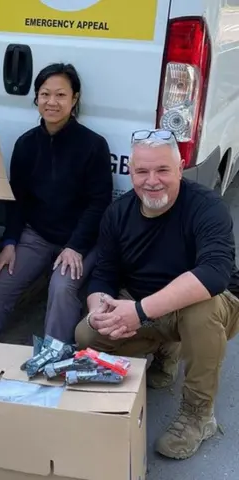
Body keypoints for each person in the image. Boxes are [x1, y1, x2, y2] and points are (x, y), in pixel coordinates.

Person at [75, 129, 239, 460]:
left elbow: (215, 273)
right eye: (142, 171)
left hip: (212, 307)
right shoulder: (118, 214)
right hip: (146, 306)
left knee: (200, 309)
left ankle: (198, 415)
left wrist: (138, 311)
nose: (153, 181)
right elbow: (104, 274)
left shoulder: (207, 207)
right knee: (87, 333)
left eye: (163, 170)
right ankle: (166, 351)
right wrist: (100, 309)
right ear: (130, 172)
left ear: (180, 167)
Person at [0, 63, 113, 344]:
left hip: (82, 240)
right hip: (37, 235)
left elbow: (99, 203)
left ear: (74, 99)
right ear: (36, 98)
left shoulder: (93, 145)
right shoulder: (26, 144)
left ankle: (54, 361)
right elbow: (18, 200)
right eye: (45, 94)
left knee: (62, 287)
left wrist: (75, 246)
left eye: (61, 95)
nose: (52, 102)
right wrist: (10, 242)